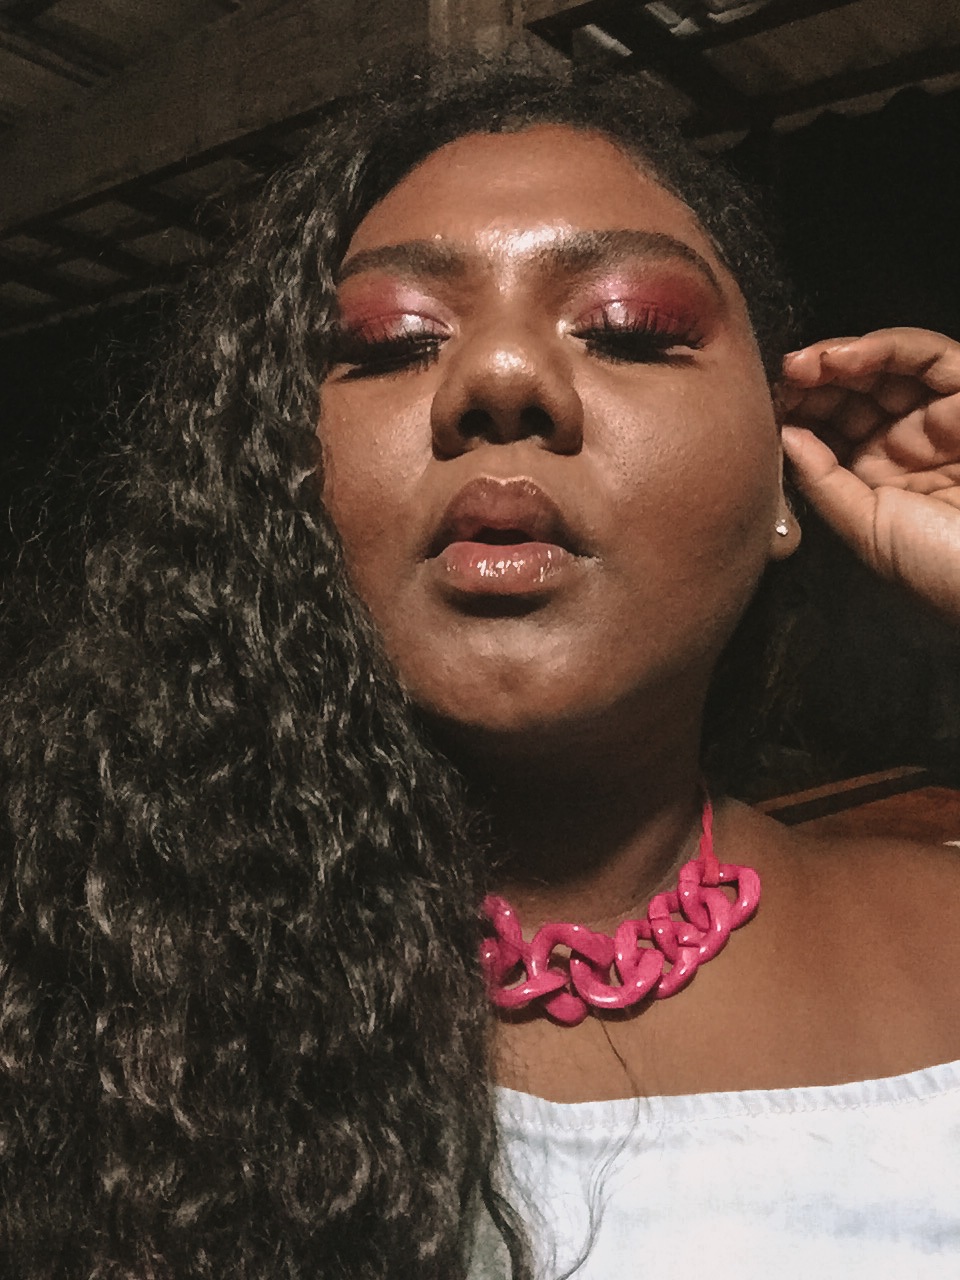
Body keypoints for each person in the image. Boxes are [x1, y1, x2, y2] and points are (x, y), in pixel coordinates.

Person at [1, 58, 959, 1280]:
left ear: (785, 474)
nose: (500, 379)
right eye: (393, 341)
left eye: (628, 327)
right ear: (272, 481)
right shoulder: (73, 988)